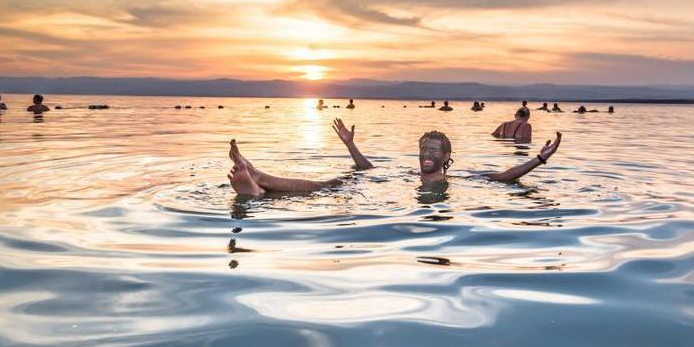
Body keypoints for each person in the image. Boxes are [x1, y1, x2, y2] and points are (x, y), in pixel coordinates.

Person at [226, 118, 561, 196]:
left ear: (446, 157)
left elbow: (504, 177)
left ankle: (258, 185)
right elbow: (368, 169)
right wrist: (350, 145)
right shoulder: (408, 177)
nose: (426, 155)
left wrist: (539, 160)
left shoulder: (458, 181)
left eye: (433, 151)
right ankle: (257, 183)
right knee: (332, 184)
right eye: (423, 150)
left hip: (390, 202)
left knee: (328, 189)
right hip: (386, 192)